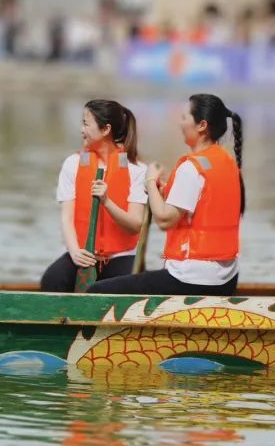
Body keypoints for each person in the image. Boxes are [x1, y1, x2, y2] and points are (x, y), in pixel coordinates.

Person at [88, 94, 244, 295]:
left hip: (193, 278)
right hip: (227, 279)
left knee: (97, 290)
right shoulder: (226, 162)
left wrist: (151, 181)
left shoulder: (192, 167)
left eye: (184, 117)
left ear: (202, 125)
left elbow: (164, 219)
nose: (180, 123)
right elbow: (201, 203)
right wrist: (162, 191)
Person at [40, 100, 147, 292]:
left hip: (121, 256)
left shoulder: (137, 169)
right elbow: (66, 217)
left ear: (106, 129)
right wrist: (74, 252)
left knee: (116, 286)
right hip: (82, 252)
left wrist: (107, 202)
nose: (81, 129)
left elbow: (134, 225)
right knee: (52, 279)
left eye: (86, 124)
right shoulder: (72, 163)